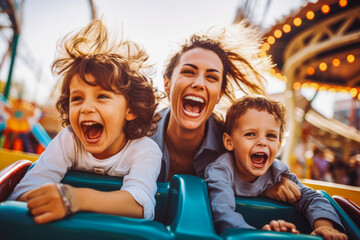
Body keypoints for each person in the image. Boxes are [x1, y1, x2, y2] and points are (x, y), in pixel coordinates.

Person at [10, 19, 162, 224]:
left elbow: (141, 206)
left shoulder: (144, 151)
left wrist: (76, 198)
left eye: (102, 97)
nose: (86, 107)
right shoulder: (68, 141)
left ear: (131, 110)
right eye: (77, 98)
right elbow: (23, 193)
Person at [151, 21, 301, 203]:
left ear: (220, 94)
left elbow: (253, 179)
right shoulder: (136, 134)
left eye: (212, 77)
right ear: (167, 83)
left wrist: (265, 190)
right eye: (189, 72)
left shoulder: (235, 145)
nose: (199, 83)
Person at [204, 95, 347, 240]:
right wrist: (263, 236)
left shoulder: (278, 172)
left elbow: (313, 198)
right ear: (229, 142)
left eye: (271, 136)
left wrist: (324, 227)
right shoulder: (220, 171)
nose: (262, 142)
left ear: (278, 145)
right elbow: (223, 214)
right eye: (250, 134)